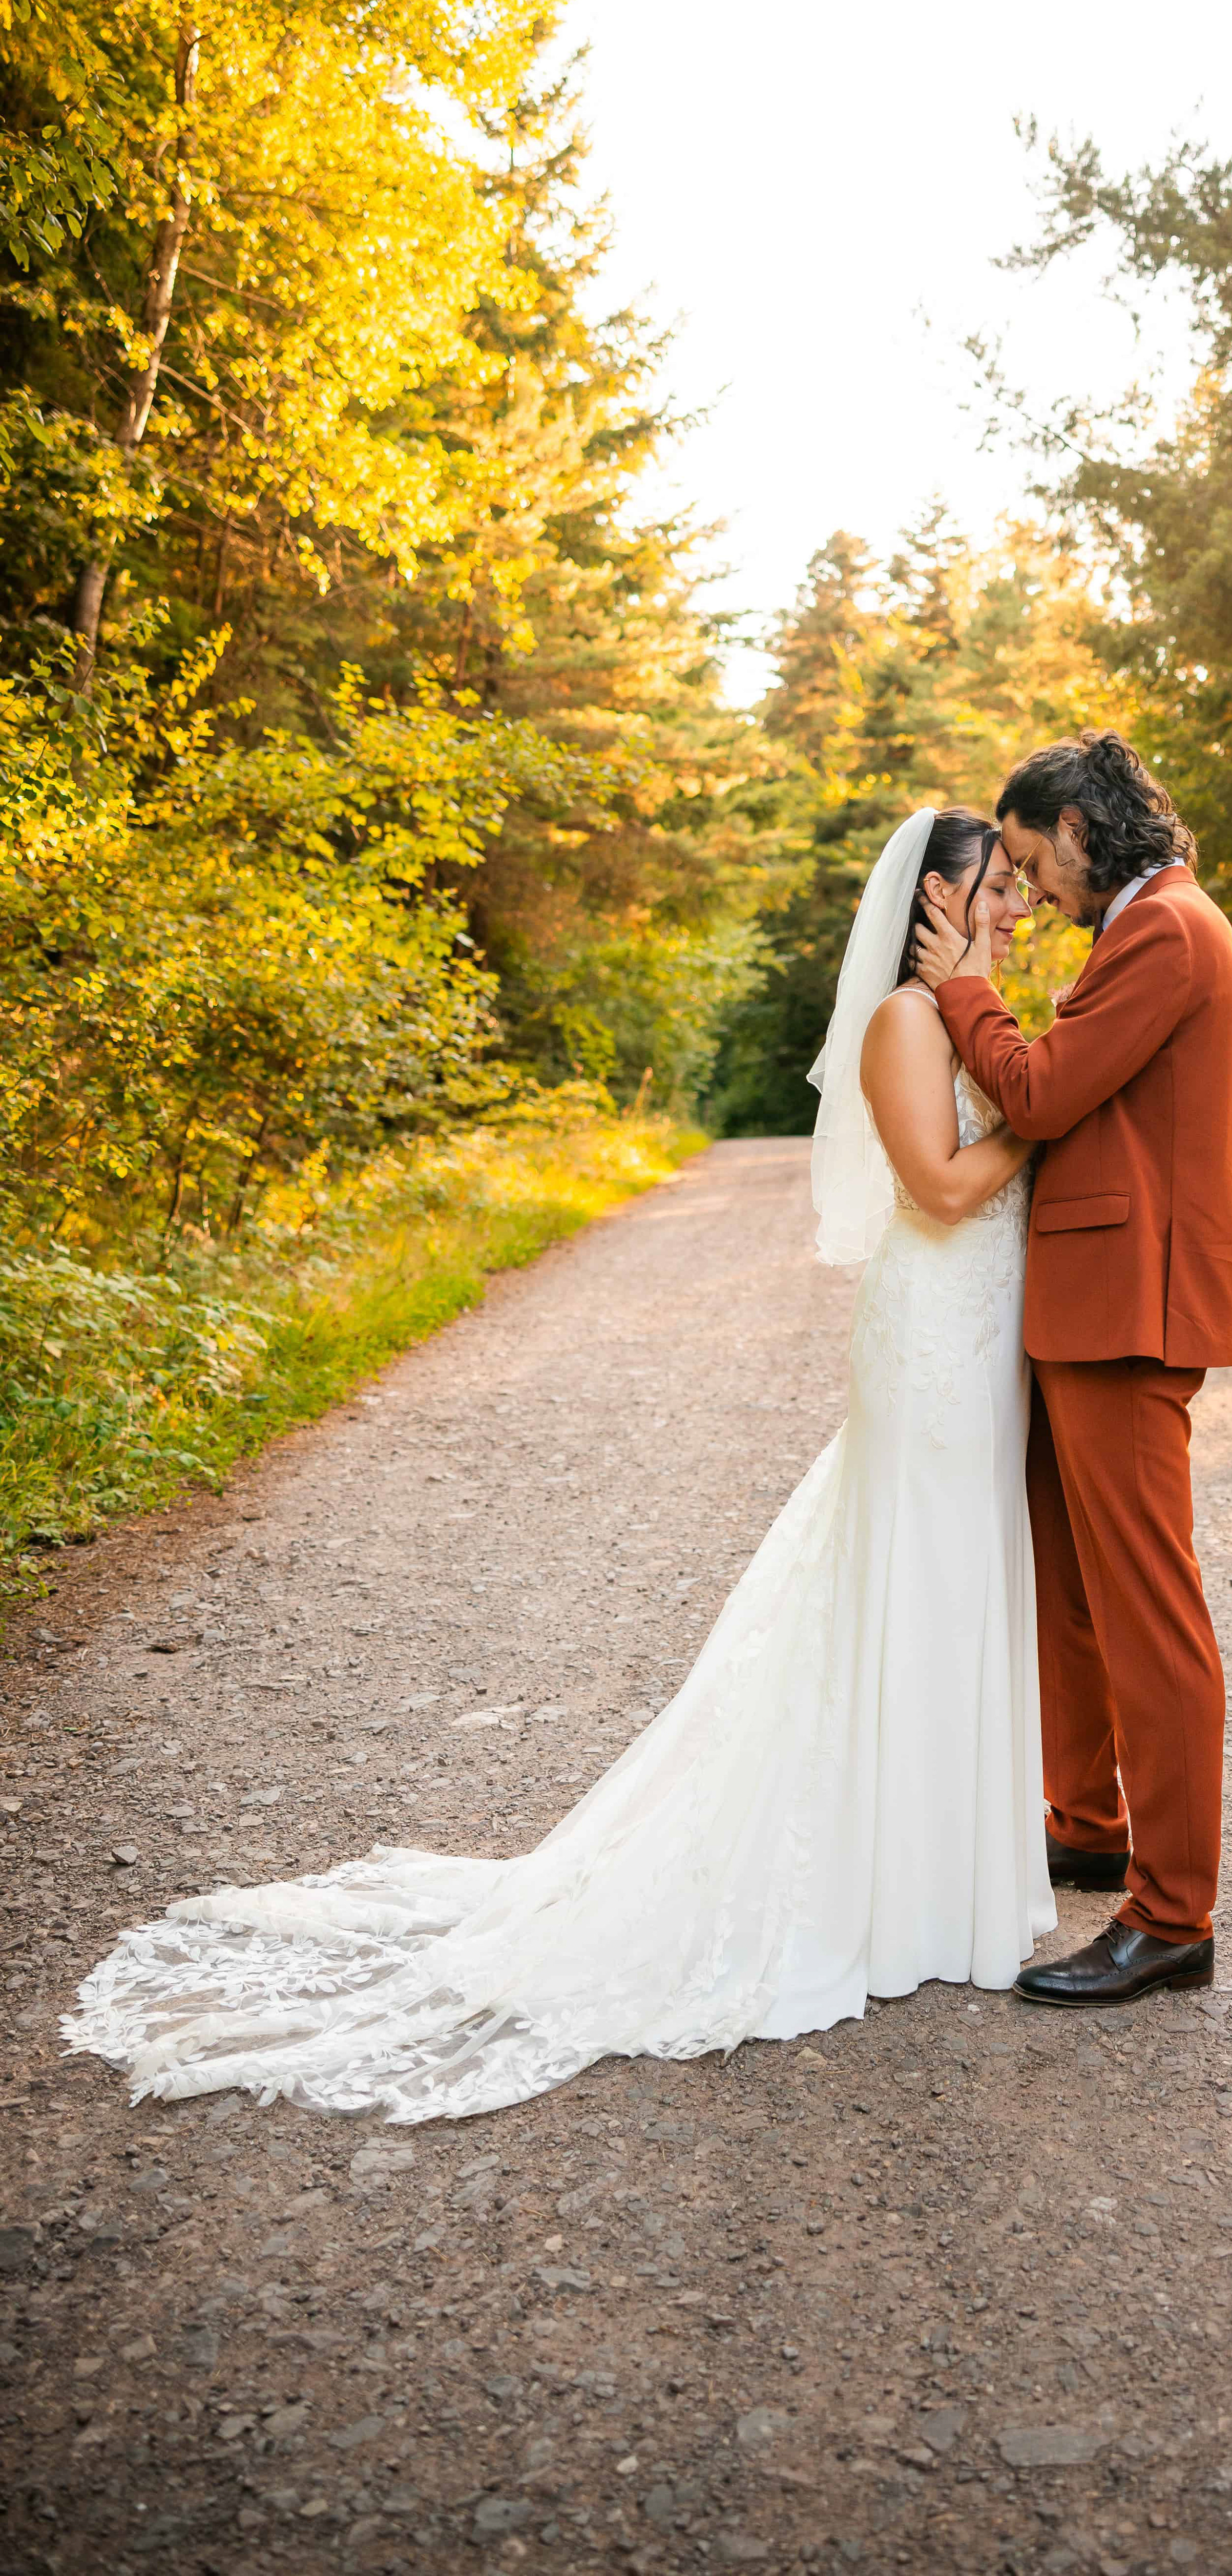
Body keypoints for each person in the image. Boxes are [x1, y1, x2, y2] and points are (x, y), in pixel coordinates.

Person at [65, 808, 1055, 2121]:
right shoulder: (904, 1024)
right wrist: (1047, 1121)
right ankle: (889, 1886)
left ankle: (944, 1874)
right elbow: (936, 1188)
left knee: (961, 1580)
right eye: (1003, 882)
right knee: (913, 1580)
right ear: (940, 894)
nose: (1025, 899)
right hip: (931, 1332)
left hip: (979, 1334)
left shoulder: (973, 1008)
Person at [912, 732, 1232, 2010]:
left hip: (1132, 1311)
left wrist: (962, 992)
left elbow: (1043, 1094)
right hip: (1088, 1308)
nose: (1029, 889)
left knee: (1149, 1612)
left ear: (1070, 823)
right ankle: (1088, 1822)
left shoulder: (1167, 928)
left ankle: (1172, 1915)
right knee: (1075, 1597)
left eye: (1024, 860)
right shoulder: (1144, 924)